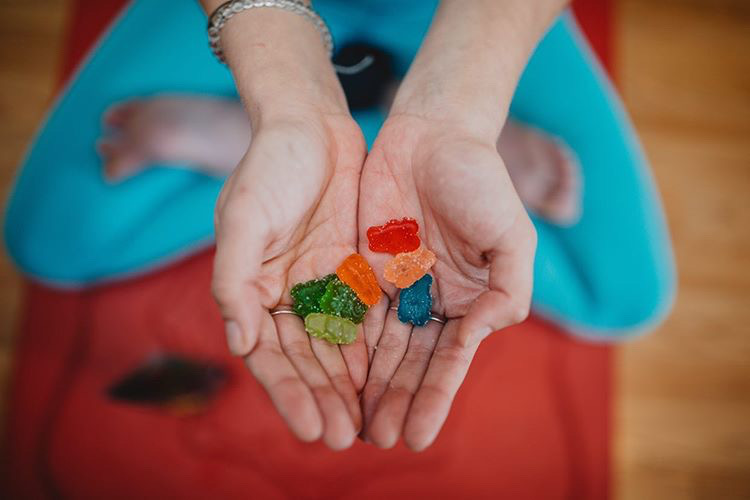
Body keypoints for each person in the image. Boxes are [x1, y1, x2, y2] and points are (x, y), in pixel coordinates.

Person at [4, 0, 675, 451]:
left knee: (630, 300)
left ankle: (376, 124)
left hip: (468, 24)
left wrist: (464, 112)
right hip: (258, 18)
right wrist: (282, 102)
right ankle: (292, 132)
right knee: (46, 243)